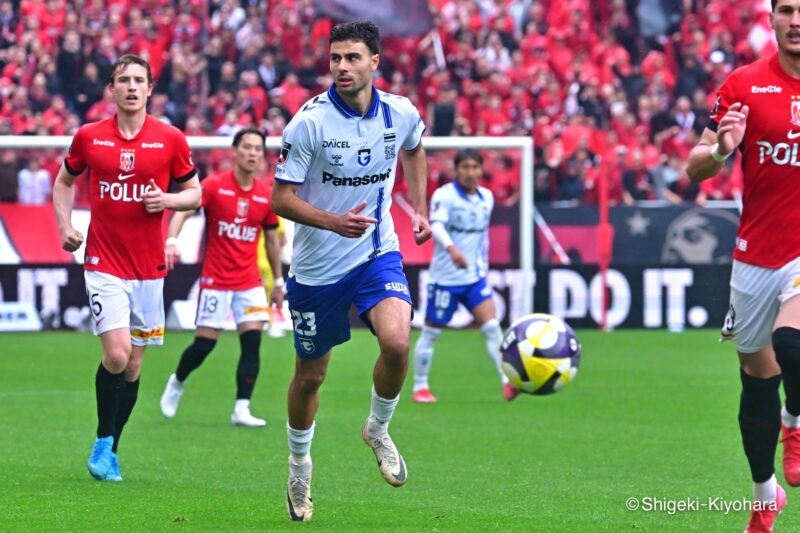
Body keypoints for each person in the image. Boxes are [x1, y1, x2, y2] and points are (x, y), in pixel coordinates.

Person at [270, 21, 431, 523]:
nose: (342, 66)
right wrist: (332, 221)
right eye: (336, 58)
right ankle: (299, 468)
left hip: (376, 252)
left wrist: (420, 208)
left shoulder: (400, 112)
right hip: (317, 268)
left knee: (398, 343)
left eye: (353, 57)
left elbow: (415, 148)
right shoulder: (309, 123)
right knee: (310, 377)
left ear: (374, 61)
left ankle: (377, 429)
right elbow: (280, 199)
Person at [52, 54, 201, 481]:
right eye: (124, 80)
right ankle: (103, 441)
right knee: (116, 355)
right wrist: (65, 225)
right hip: (103, 262)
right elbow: (64, 182)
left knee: (134, 366)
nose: (132, 87)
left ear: (150, 89)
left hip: (149, 269)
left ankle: (112, 450)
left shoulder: (170, 138)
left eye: (139, 80)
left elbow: (194, 193)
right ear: (112, 89)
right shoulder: (89, 137)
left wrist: (167, 200)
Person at [686, 1, 800, 529]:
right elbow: (695, 167)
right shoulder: (744, 84)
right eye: (787, 10)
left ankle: (794, 421)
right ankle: (763, 494)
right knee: (756, 382)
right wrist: (721, 152)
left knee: (792, 344)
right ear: (772, 19)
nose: (797, 21)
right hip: (756, 256)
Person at [159, 127, 284, 427]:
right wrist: (172, 240)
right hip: (216, 280)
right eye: (247, 147)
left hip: (250, 282)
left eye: (258, 149)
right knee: (204, 346)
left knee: (252, 343)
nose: (252, 153)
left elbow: (272, 241)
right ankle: (177, 381)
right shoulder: (214, 186)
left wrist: (278, 282)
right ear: (235, 151)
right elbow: (183, 211)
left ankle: (242, 408)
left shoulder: (266, 195)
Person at [412, 149, 518, 403]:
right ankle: (420, 386)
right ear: (456, 170)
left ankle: (507, 381)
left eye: (474, 167)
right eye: (465, 167)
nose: (470, 172)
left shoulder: (486, 198)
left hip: (473, 278)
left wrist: (483, 265)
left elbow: (482, 236)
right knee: (431, 332)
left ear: (481, 170)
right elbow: (437, 225)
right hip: (444, 279)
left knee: (492, 328)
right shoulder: (445, 195)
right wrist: (452, 250)